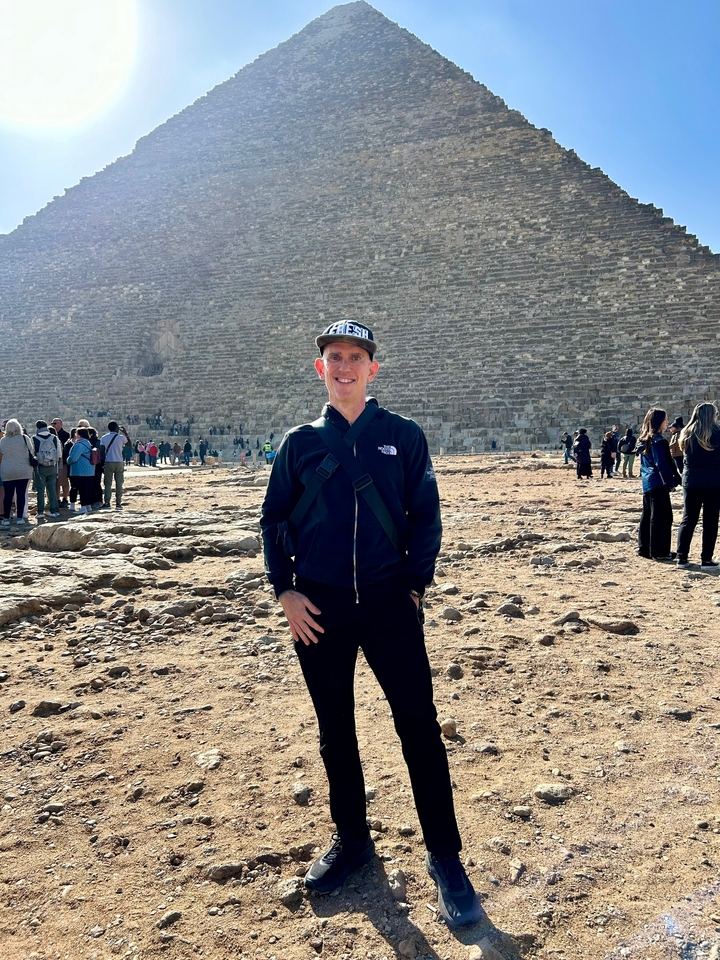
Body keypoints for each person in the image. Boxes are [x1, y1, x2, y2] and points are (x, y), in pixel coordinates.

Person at [260, 322, 481, 927]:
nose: (345, 367)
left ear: (372, 368)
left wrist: (413, 587)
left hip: (389, 604)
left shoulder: (403, 437)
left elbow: (425, 516)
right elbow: (274, 518)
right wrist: (285, 592)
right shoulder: (299, 443)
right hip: (320, 609)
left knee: (419, 729)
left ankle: (446, 857)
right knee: (336, 730)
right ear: (320, 368)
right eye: (335, 357)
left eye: (356, 357)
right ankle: (353, 840)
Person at [676, 402, 720, 570]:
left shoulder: (686, 433)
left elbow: (681, 459)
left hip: (691, 481)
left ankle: (682, 558)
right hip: (713, 482)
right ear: (711, 416)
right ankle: (706, 560)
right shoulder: (717, 434)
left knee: (688, 519)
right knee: (710, 521)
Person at [636, 408, 681, 561]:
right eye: (665, 419)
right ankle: (660, 551)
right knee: (663, 517)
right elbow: (662, 463)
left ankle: (645, 549)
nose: (667, 422)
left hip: (648, 482)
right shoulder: (658, 441)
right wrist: (673, 479)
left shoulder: (643, 440)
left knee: (648, 516)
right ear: (658, 422)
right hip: (659, 481)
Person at [0, 419, 34, 525]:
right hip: (23, 470)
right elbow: (31, 450)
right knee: (21, 494)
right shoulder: (24, 438)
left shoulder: (3, 440)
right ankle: (20, 518)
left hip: (7, 470)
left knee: (8, 495)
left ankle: (6, 518)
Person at [32, 420, 63, 518]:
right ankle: (53, 510)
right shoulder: (54, 438)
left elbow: (32, 453)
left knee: (40, 490)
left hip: (40, 467)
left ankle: (40, 512)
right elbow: (59, 454)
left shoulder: (34, 438)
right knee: (52, 488)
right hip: (52, 466)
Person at [101, 421, 130, 510]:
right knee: (119, 484)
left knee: (108, 484)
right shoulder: (121, 437)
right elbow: (129, 444)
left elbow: (102, 451)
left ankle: (107, 503)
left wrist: (102, 463)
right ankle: (118, 503)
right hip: (119, 462)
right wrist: (125, 433)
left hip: (109, 462)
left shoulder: (104, 438)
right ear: (117, 428)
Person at [66, 427, 96, 514]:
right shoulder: (88, 443)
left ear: (79, 435)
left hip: (80, 470)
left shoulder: (79, 444)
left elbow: (73, 458)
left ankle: (83, 507)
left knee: (82, 489)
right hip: (89, 470)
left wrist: (68, 460)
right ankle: (88, 506)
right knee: (87, 489)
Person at [51, 418, 70, 506]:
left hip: (63, 462)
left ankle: (65, 498)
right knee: (56, 483)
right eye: (52, 423)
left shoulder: (66, 435)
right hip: (53, 462)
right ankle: (57, 499)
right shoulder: (51, 435)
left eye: (55, 423)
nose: (53, 425)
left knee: (64, 481)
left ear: (61, 424)